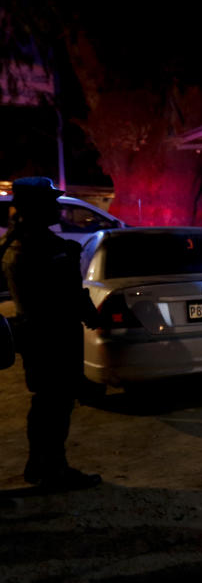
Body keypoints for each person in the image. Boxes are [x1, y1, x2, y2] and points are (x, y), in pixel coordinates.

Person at [0, 177, 102, 491]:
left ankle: (39, 465)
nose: (56, 207)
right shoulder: (40, 248)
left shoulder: (21, 243)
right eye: (50, 202)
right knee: (54, 405)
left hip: (41, 336)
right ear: (35, 207)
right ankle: (53, 469)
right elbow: (64, 295)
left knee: (46, 403)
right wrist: (88, 313)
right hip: (51, 338)